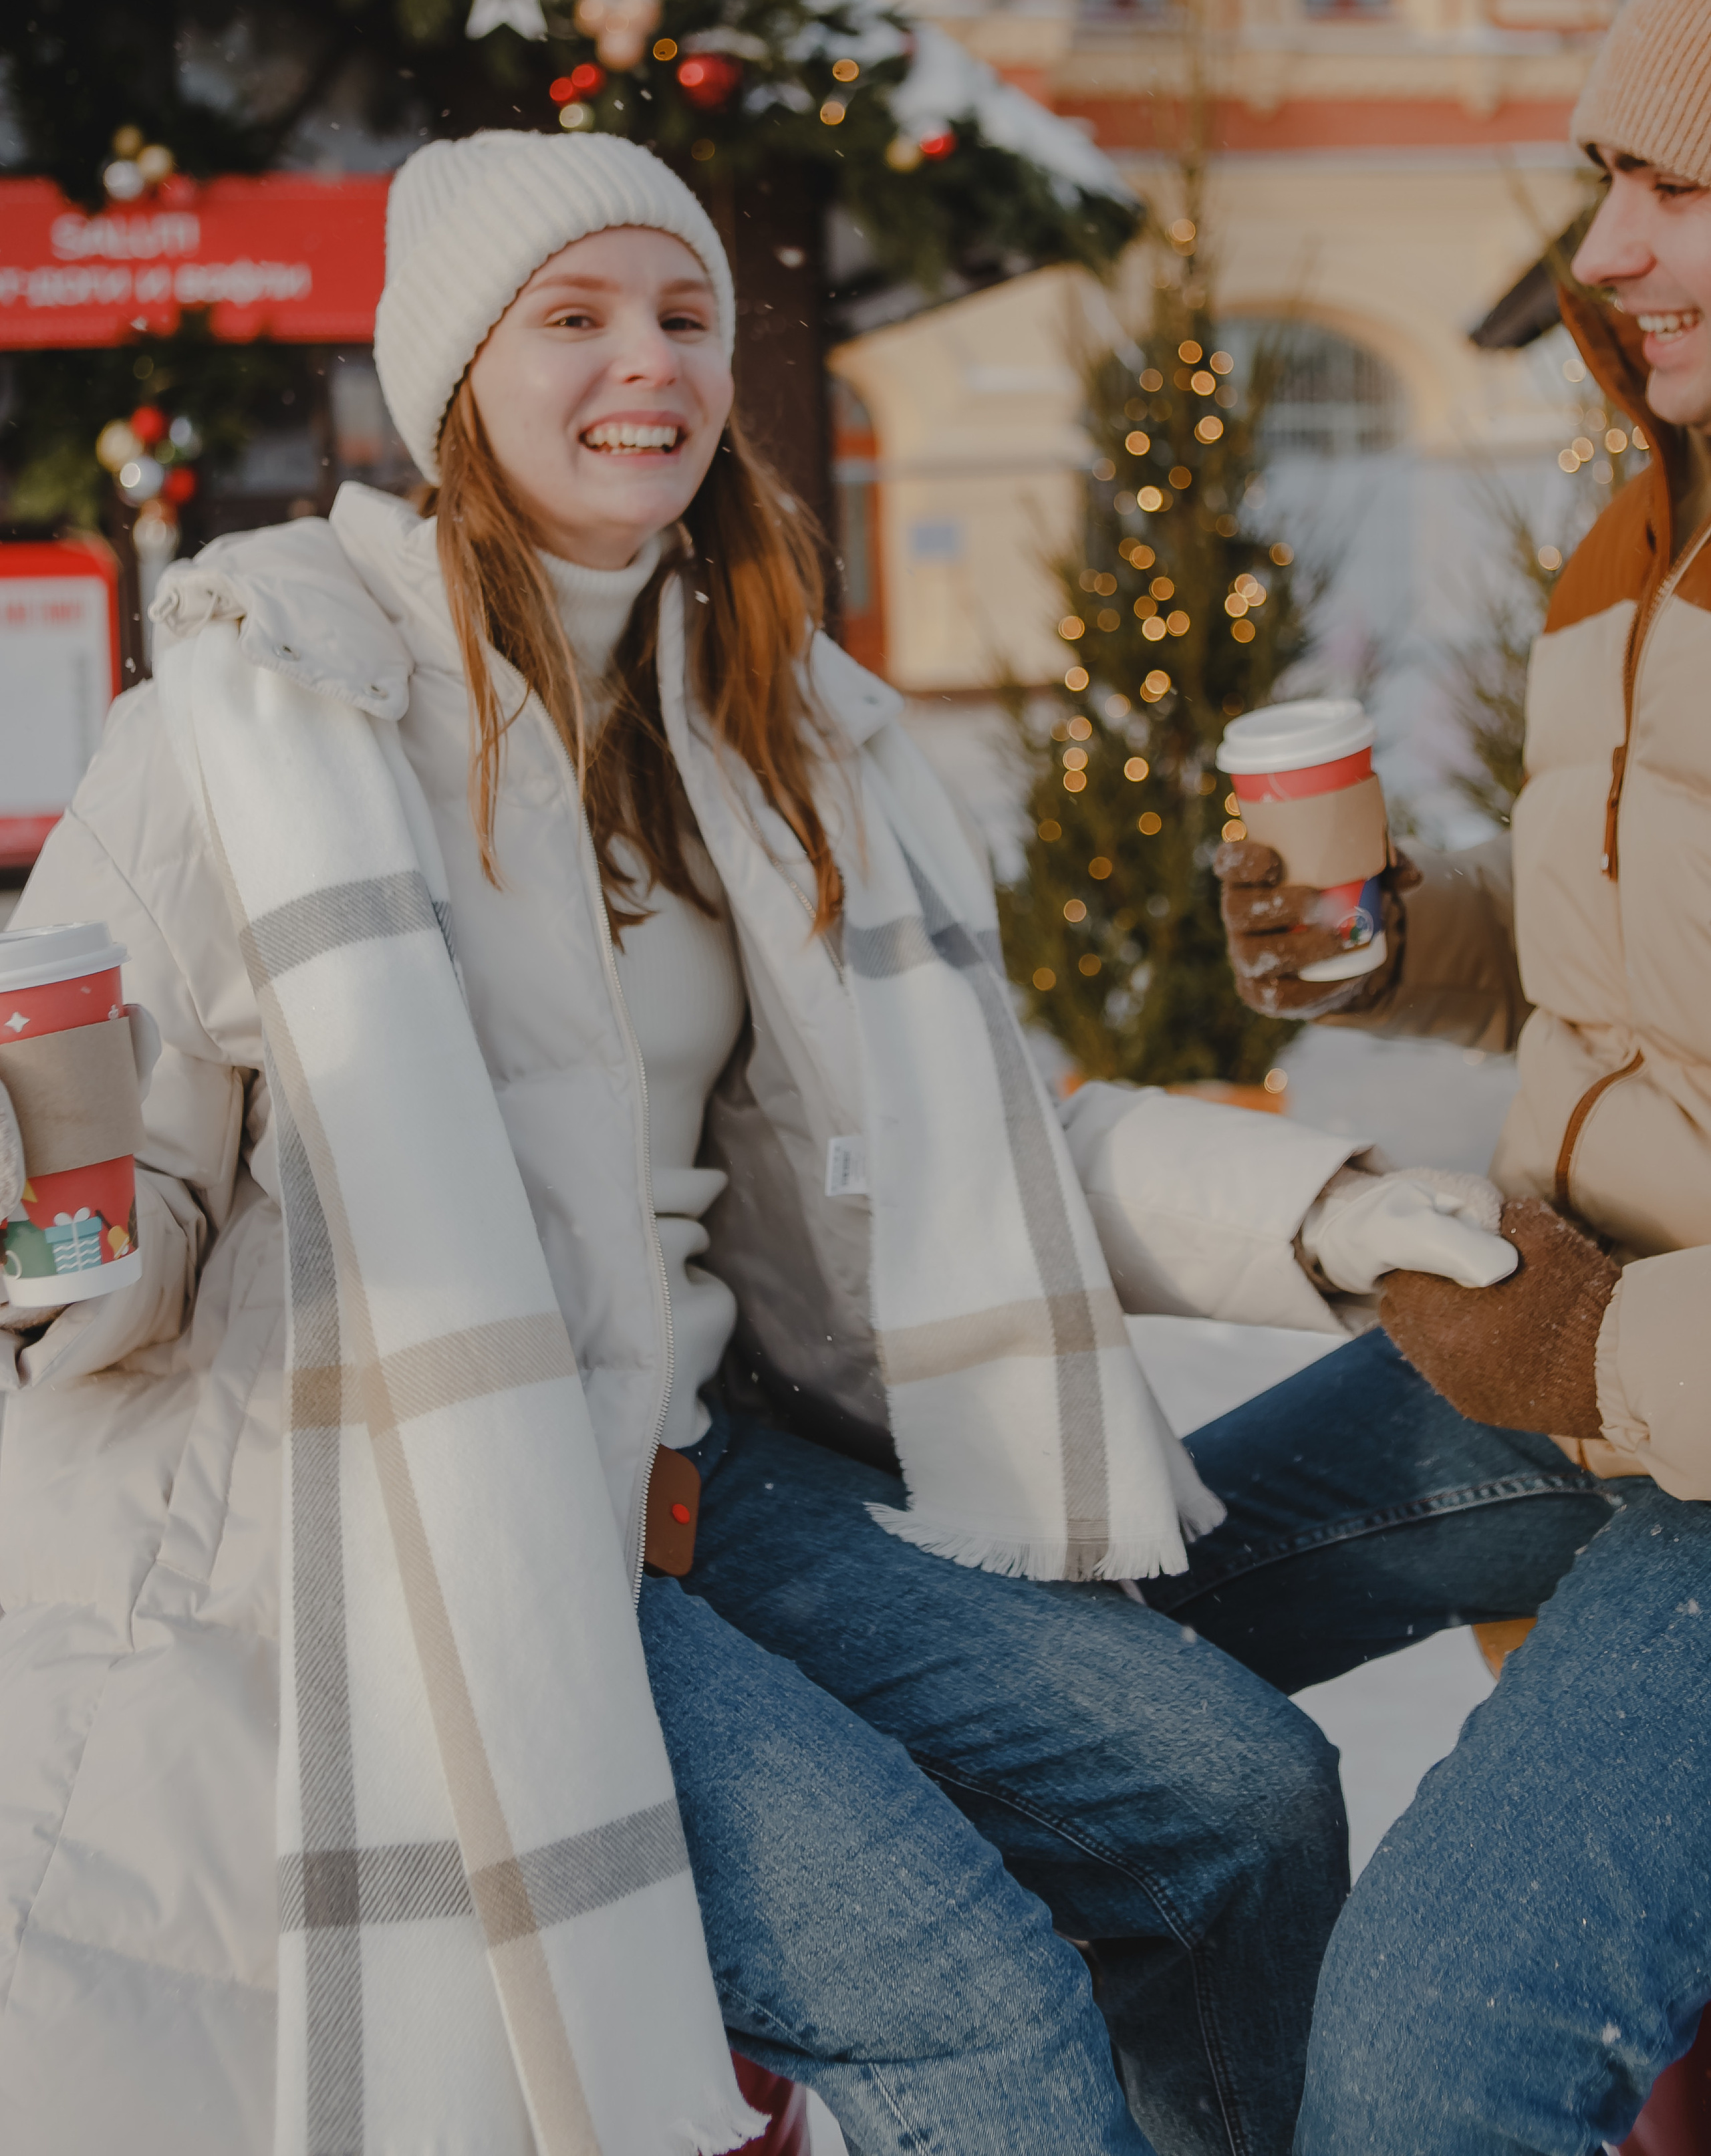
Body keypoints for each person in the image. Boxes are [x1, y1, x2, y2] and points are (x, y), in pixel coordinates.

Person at [0, 132, 1515, 2156]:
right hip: (429, 1511)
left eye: (686, 315)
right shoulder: (260, 708)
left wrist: (1326, 1214)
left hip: (705, 1467)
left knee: (1231, 1807)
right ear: (457, 370)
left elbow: (970, 1143)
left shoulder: (766, 721)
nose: (651, 363)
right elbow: (130, 1185)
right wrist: (55, 1226)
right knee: (966, 2007)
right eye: (576, 317)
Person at [1189, 0, 1711, 2155]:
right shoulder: (1647, 539)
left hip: (1644, 1392)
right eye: (1611, 179)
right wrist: (1393, 943)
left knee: (1429, 2070)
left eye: (1679, 186)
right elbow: (1621, 973)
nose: (1607, 250)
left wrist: (1599, 1352)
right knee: (1099, 1667)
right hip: (1571, 1342)